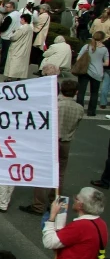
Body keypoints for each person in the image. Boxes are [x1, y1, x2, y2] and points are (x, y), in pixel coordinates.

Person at [26, 80, 86, 217]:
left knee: (42, 172)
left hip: (50, 141)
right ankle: (54, 200)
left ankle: (38, 205)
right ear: (76, 92)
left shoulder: (54, 106)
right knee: (60, 172)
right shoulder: (79, 108)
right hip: (66, 142)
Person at [75, 31, 108, 117]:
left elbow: (78, 58)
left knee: (81, 92)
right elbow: (107, 63)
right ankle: (91, 112)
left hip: (84, 71)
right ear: (103, 39)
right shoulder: (104, 49)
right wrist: (99, 63)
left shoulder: (86, 47)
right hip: (97, 73)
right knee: (94, 93)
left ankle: (79, 111)